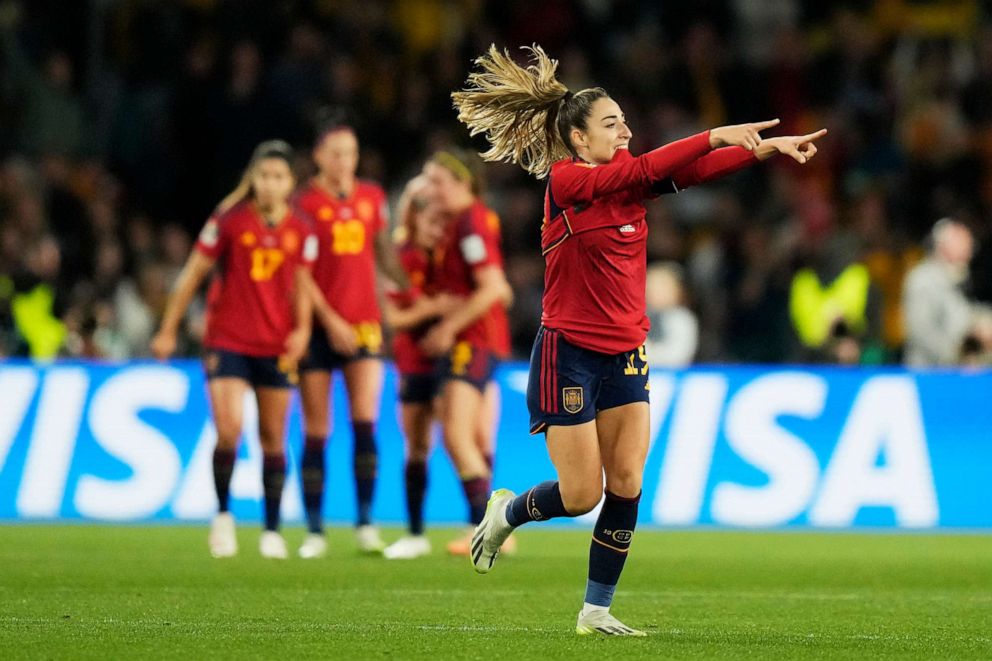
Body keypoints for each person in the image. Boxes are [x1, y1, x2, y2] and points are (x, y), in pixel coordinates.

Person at [452, 45, 827, 636]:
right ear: (577, 139)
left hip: (626, 353)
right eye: (610, 123)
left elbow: (683, 172)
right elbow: (654, 167)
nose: (624, 129)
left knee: (626, 483)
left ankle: (595, 610)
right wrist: (712, 134)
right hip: (567, 355)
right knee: (580, 496)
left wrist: (759, 152)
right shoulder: (568, 183)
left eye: (625, 119)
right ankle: (508, 511)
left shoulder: (629, 189)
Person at [150, 140, 316, 559]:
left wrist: (302, 331)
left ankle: (272, 530)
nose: (271, 184)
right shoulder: (229, 221)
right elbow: (192, 275)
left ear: (290, 183)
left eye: (279, 177)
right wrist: (168, 329)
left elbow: (302, 287)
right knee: (228, 430)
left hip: (276, 343)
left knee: (273, 439)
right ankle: (223, 516)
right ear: (253, 179)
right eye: (264, 176)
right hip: (228, 340)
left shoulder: (303, 229)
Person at [293, 122, 409, 557]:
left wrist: (412, 285)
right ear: (319, 157)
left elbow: (383, 254)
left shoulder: (372, 198)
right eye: (337, 153)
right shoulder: (302, 204)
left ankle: (364, 522)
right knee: (317, 429)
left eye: (352, 153)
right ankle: (315, 530)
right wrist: (329, 319)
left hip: (363, 324)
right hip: (320, 329)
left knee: (365, 422)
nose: (345, 162)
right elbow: (299, 274)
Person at [418, 150, 514, 556]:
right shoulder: (465, 222)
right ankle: (488, 529)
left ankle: (489, 531)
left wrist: (447, 327)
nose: (430, 190)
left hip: (472, 339)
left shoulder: (470, 222)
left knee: (456, 434)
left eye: (437, 181)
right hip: (485, 338)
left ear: (461, 182)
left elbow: (492, 288)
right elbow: (501, 288)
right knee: (474, 436)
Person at [903, 218, 976, 367]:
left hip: (954, 372)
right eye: (964, 245)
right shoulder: (923, 279)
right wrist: (957, 355)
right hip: (929, 375)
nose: (970, 251)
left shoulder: (958, 279)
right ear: (944, 247)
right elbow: (921, 331)